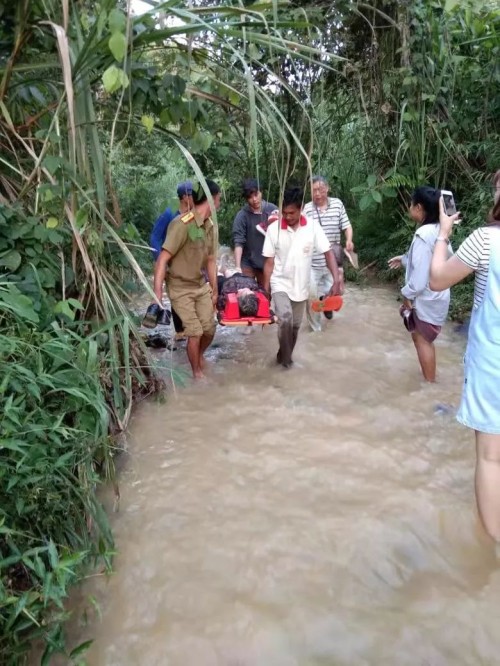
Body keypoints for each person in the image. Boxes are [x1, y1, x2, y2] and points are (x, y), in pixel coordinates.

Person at [429, 170, 500, 541]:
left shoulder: (486, 240)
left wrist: (443, 234)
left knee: (491, 456)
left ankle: (492, 549)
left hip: (493, 362)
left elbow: (438, 279)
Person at [262, 185, 341, 368]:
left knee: (295, 328)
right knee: (285, 319)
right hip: (280, 282)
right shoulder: (274, 229)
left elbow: (328, 253)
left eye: (292, 213)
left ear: (301, 209)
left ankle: (282, 357)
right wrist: (265, 290)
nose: (287, 217)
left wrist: (336, 278)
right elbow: (269, 262)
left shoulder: (312, 227)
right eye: (284, 213)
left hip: (301, 286)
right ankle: (288, 364)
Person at [151, 180, 220, 379]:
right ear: (212, 199)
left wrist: (214, 290)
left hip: (200, 285)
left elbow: (211, 260)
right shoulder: (181, 224)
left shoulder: (210, 226)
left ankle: (197, 357)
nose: (220, 202)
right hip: (180, 287)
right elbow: (162, 259)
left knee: (209, 328)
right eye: (218, 199)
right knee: (195, 332)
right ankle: (197, 374)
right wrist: (158, 295)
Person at [388, 186, 453, 382]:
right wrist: (405, 259)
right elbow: (437, 259)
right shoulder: (440, 231)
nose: (409, 207)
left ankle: (430, 384)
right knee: (424, 340)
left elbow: (418, 280)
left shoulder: (423, 235)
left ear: (418, 207)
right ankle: (429, 377)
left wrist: (406, 296)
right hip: (438, 295)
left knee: (422, 340)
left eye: (410, 204)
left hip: (425, 298)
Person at [303, 175, 353, 329]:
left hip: (333, 261)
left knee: (337, 292)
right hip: (312, 263)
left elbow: (347, 226)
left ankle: (327, 306)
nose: (317, 194)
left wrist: (349, 240)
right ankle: (315, 329)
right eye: (314, 191)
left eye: (320, 189)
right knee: (311, 296)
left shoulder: (337, 204)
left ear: (327, 188)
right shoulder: (307, 209)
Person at [147, 181, 194, 335]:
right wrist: (161, 260)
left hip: (189, 261)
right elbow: (154, 238)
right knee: (176, 295)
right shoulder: (169, 213)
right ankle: (180, 333)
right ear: (185, 197)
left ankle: (191, 329)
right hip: (171, 260)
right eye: (193, 194)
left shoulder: (195, 213)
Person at [232, 178, 278, 287]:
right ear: (246, 199)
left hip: (268, 261)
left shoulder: (273, 210)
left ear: (261, 192)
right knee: (248, 293)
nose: (254, 199)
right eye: (250, 197)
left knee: (266, 295)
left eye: (256, 194)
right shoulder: (242, 216)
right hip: (247, 262)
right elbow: (238, 242)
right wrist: (238, 267)